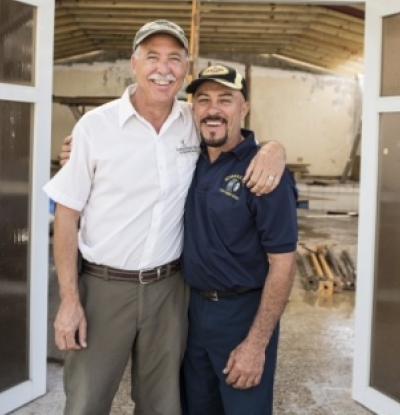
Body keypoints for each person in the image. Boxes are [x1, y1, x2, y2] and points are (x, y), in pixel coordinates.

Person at [43, 20, 286, 415]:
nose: (163, 68)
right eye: (152, 56)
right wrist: (69, 300)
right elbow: (66, 217)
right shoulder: (95, 127)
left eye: (174, 59)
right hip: (105, 287)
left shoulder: (192, 119)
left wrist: (275, 148)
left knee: (163, 406)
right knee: (86, 401)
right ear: (133, 63)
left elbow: (233, 124)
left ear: (185, 69)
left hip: (170, 290)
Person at [180, 65, 298, 415]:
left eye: (225, 100)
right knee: (196, 407)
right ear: (193, 108)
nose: (213, 109)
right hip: (190, 311)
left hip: (241, 312)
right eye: (204, 100)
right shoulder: (188, 158)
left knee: (244, 407)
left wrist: (256, 343)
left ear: (244, 107)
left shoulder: (263, 172)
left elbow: (284, 263)